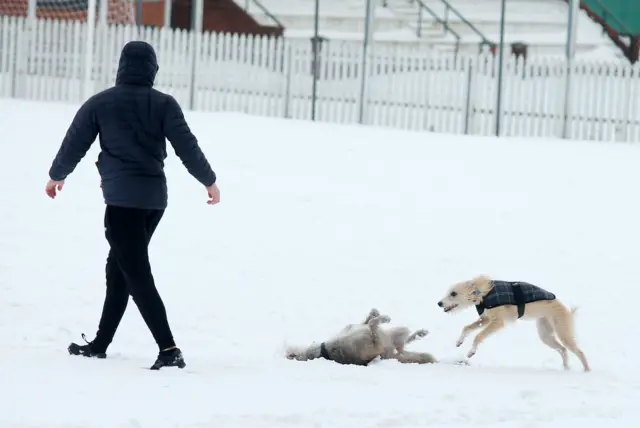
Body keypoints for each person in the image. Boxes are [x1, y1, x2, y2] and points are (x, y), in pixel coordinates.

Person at [45, 40, 220, 370]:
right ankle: (100, 343)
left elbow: (75, 142)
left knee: (135, 272)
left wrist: (57, 175)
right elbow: (188, 147)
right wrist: (209, 181)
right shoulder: (164, 104)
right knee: (120, 268)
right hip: (154, 202)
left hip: (122, 203)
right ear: (153, 70)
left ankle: (169, 349)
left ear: (121, 67)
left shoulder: (101, 103)